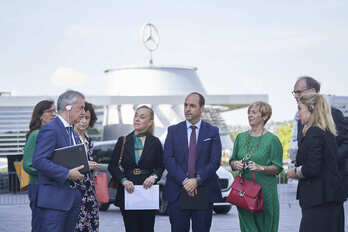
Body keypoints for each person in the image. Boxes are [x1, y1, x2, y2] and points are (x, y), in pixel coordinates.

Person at [163, 92, 222, 232]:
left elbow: (214, 162)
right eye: (185, 105)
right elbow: (168, 159)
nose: (187, 109)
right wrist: (185, 180)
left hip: (202, 190)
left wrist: (196, 180)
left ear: (201, 108)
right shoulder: (173, 131)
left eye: (192, 106)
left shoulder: (212, 132)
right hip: (178, 190)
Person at [287, 93, 345, 232]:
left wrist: (294, 172)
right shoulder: (327, 132)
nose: (298, 114)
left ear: (311, 108)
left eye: (300, 109)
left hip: (318, 201)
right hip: (329, 199)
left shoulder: (314, 132)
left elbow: (313, 168)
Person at [32, 90, 86, 232]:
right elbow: (39, 161)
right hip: (54, 201)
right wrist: (67, 173)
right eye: (81, 107)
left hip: (71, 199)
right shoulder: (50, 129)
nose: (83, 112)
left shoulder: (72, 132)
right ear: (68, 107)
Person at [108, 105, 164, 232]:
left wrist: (154, 177)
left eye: (142, 117)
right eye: (136, 115)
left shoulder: (155, 142)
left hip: (148, 191)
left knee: (147, 229)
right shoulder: (123, 140)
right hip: (128, 191)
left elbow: (160, 166)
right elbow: (113, 165)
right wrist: (123, 180)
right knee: (131, 228)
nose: (137, 119)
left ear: (150, 122)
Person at [229, 101, 283, 232]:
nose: (249, 115)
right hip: (244, 193)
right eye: (249, 112)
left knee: (266, 226)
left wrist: (261, 167)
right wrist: (236, 164)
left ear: (264, 116)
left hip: (265, 193)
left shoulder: (272, 140)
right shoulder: (240, 137)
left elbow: (278, 167)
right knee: (248, 227)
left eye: (254, 112)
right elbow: (232, 161)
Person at [291, 76, 348, 198]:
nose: (296, 96)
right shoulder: (302, 118)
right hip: (309, 189)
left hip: (328, 191)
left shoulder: (334, 114)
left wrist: (328, 161)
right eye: (294, 93)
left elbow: (345, 143)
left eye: (299, 92)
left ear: (312, 91)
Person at [23, 100, 56, 231]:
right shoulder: (36, 134)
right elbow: (28, 165)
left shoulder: (52, 134)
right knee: (40, 225)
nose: (54, 114)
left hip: (52, 186)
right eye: (50, 111)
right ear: (41, 115)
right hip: (39, 186)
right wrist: (53, 171)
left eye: (55, 111)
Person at [74, 102, 100, 232]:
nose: (83, 121)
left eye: (87, 118)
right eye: (80, 117)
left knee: (92, 226)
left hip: (89, 192)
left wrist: (93, 165)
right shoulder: (69, 139)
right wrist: (86, 165)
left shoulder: (89, 140)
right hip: (74, 191)